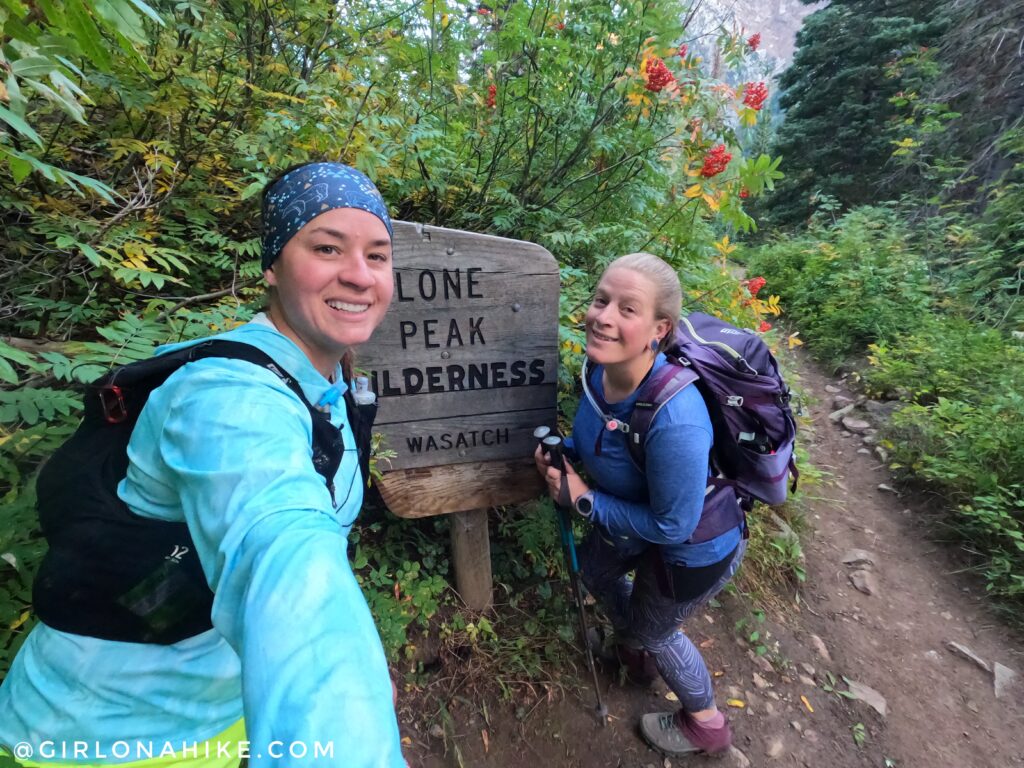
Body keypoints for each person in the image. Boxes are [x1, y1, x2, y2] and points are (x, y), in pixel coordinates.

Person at [0, 163, 406, 768]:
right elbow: (280, 546)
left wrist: (355, 677)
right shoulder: (225, 396)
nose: (358, 274)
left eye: (377, 256)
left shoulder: (325, 381)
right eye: (326, 247)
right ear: (272, 266)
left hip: (225, 717)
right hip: (98, 738)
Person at [535, 252, 746, 758]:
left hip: (695, 545)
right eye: (601, 300)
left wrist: (583, 499)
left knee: (659, 630)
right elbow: (607, 441)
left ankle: (706, 724)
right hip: (631, 518)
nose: (603, 316)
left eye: (627, 309)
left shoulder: (678, 419)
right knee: (595, 574)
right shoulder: (596, 370)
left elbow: (674, 524)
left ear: (659, 329)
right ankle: (634, 652)